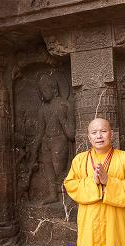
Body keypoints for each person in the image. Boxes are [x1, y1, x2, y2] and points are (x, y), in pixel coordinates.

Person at [64, 118, 125, 246]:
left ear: (111, 134)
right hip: (90, 223)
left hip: (116, 222)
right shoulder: (79, 160)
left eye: (103, 131)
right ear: (89, 137)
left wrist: (109, 181)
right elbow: (70, 184)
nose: (99, 136)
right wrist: (92, 182)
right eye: (94, 132)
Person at [29, 73, 74, 204]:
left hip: (59, 141)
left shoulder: (64, 105)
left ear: (54, 89)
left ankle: (68, 194)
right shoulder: (43, 108)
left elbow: (71, 134)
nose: (43, 93)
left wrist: (62, 117)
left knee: (59, 170)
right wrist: (34, 150)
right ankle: (53, 194)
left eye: (45, 89)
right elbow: (40, 131)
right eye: (41, 90)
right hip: (46, 142)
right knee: (48, 169)